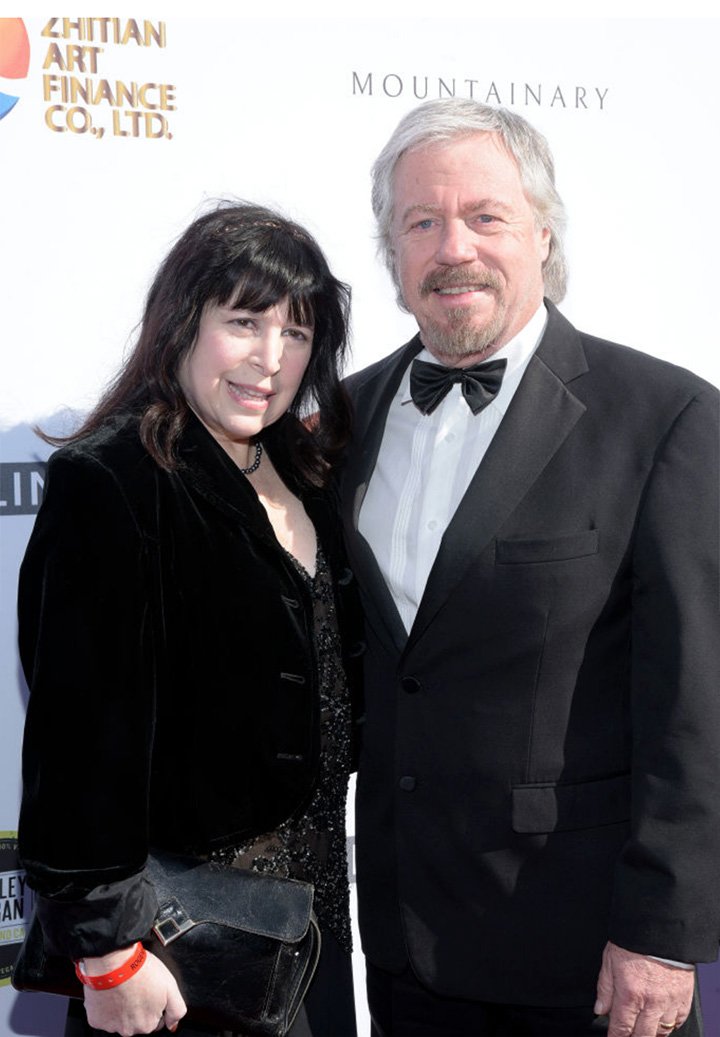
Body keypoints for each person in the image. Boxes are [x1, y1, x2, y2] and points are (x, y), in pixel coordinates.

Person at [338, 98, 720, 1037]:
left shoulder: (663, 418)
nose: (452, 246)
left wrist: (663, 936)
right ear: (392, 250)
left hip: (586, 956)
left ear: (542, 232)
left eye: (485, 216)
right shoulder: (339, 421)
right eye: (421, 222)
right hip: (398, 947)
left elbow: (695, 707)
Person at [17, 202, 361, 1037]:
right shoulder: (116, 482)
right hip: (179, 948)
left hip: (311, 930)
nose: (271, 360)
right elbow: (78, 744)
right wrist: (109, 953)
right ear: (182, 323)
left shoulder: (306, 469)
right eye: (243, 322)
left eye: (299, 333)